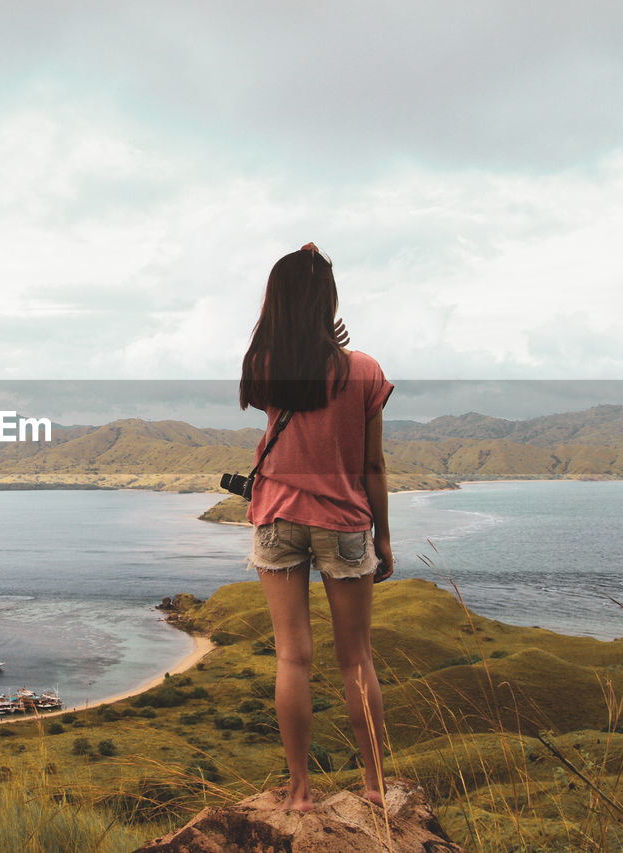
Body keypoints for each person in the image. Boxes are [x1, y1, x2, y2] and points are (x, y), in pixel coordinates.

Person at [238, 242, 394, 812]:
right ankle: (374, 787)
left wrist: (309, 342)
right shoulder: (365, 371)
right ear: (329, 301)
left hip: (277, 516)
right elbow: (372, 465)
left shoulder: (264, 367)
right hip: (346, 521)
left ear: (277, 303)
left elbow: (285, 377)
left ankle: (300, 791)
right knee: (356, 658)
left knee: (291, 658)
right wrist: (383, 538)